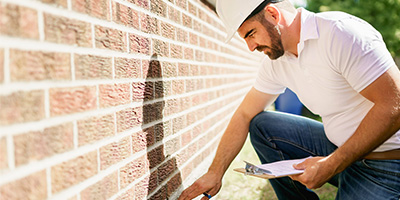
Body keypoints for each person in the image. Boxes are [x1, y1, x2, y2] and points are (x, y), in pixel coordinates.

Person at [178, 0, 400, 199]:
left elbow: (394, 105)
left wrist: (332, 164)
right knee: (263, 125)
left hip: (385, 165)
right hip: (339, 151)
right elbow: (245, 113)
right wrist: (215, 172)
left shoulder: (341, 33)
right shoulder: (277, 62)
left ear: (273, 15)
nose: (251, 47)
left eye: (251, 34)